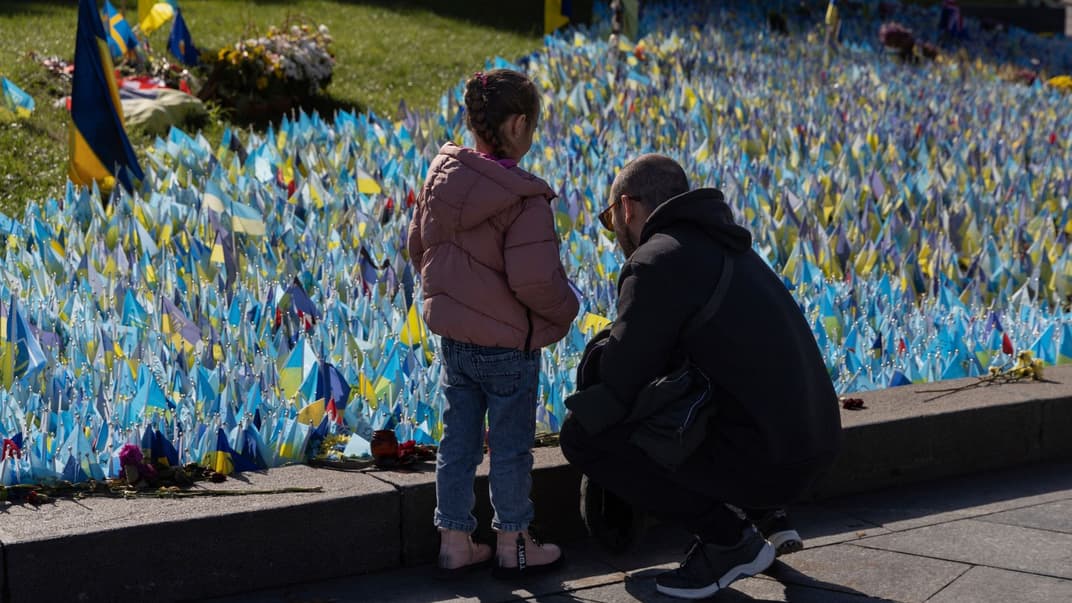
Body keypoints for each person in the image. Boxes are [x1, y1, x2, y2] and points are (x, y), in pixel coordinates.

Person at [560, 155, 841, 600]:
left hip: (770, 462)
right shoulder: (731, 246)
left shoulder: (654, 262)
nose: (613, 230)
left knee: (582, 436)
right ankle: (760, 516)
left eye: (609, 218)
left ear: (627, 208)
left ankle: (728, 540)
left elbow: (621, 377)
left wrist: (596, 354)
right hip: (813, 444)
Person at [407, 68, 580, 579]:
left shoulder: (442, 180)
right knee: (509, 449)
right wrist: (566, 309)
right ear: (519, 125)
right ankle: (515, 543)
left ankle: (455, 542)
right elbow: (533, 282)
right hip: (508, 349)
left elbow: (418, 248)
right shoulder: (523, 198)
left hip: (455, 343)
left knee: (456, 442)